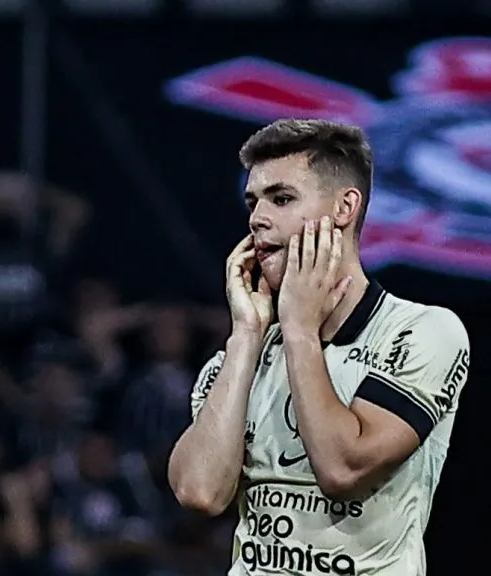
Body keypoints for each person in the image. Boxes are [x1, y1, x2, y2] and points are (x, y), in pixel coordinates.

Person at [167, 119, 471, 575]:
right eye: (253, 202)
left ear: (345, 207)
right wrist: (247, 335)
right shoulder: (239, 355)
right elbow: (200, 493)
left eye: (282, 199)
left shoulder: (423, 332)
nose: (256, 218)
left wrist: (300, 331)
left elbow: (342, 470)